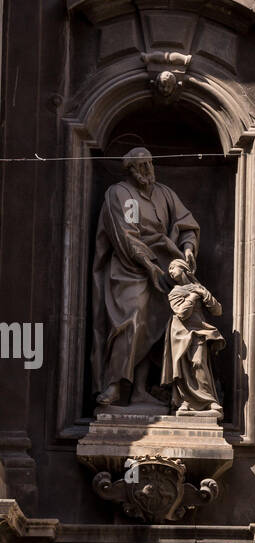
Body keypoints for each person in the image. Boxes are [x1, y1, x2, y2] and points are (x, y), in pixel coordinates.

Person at [91, 147, 199, 407]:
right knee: (131, 320)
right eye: (142, 165)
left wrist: (188, 248)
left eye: (150, 163)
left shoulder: (164, 193)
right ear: (130, 169)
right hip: (131, 268)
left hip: (166, 266)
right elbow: (126, 235)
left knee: (160, 324)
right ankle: (115, 385)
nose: (148, 170)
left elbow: (186, 223)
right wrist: (149, 266)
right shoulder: (121, 194)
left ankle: (141, 389)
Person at [160, 258, 225, 417]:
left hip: (199, 331)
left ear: (183, 269)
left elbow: (217, 311)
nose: (170, 271)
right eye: (169, 269)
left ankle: (209, 401)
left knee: (198, 363)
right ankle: (184, 401)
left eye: (173, 267)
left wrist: (203, 293)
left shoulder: (198, 288)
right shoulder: (174, 292)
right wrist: (194, 297)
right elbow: (182, 313)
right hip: (180, 334)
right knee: (181, 368)